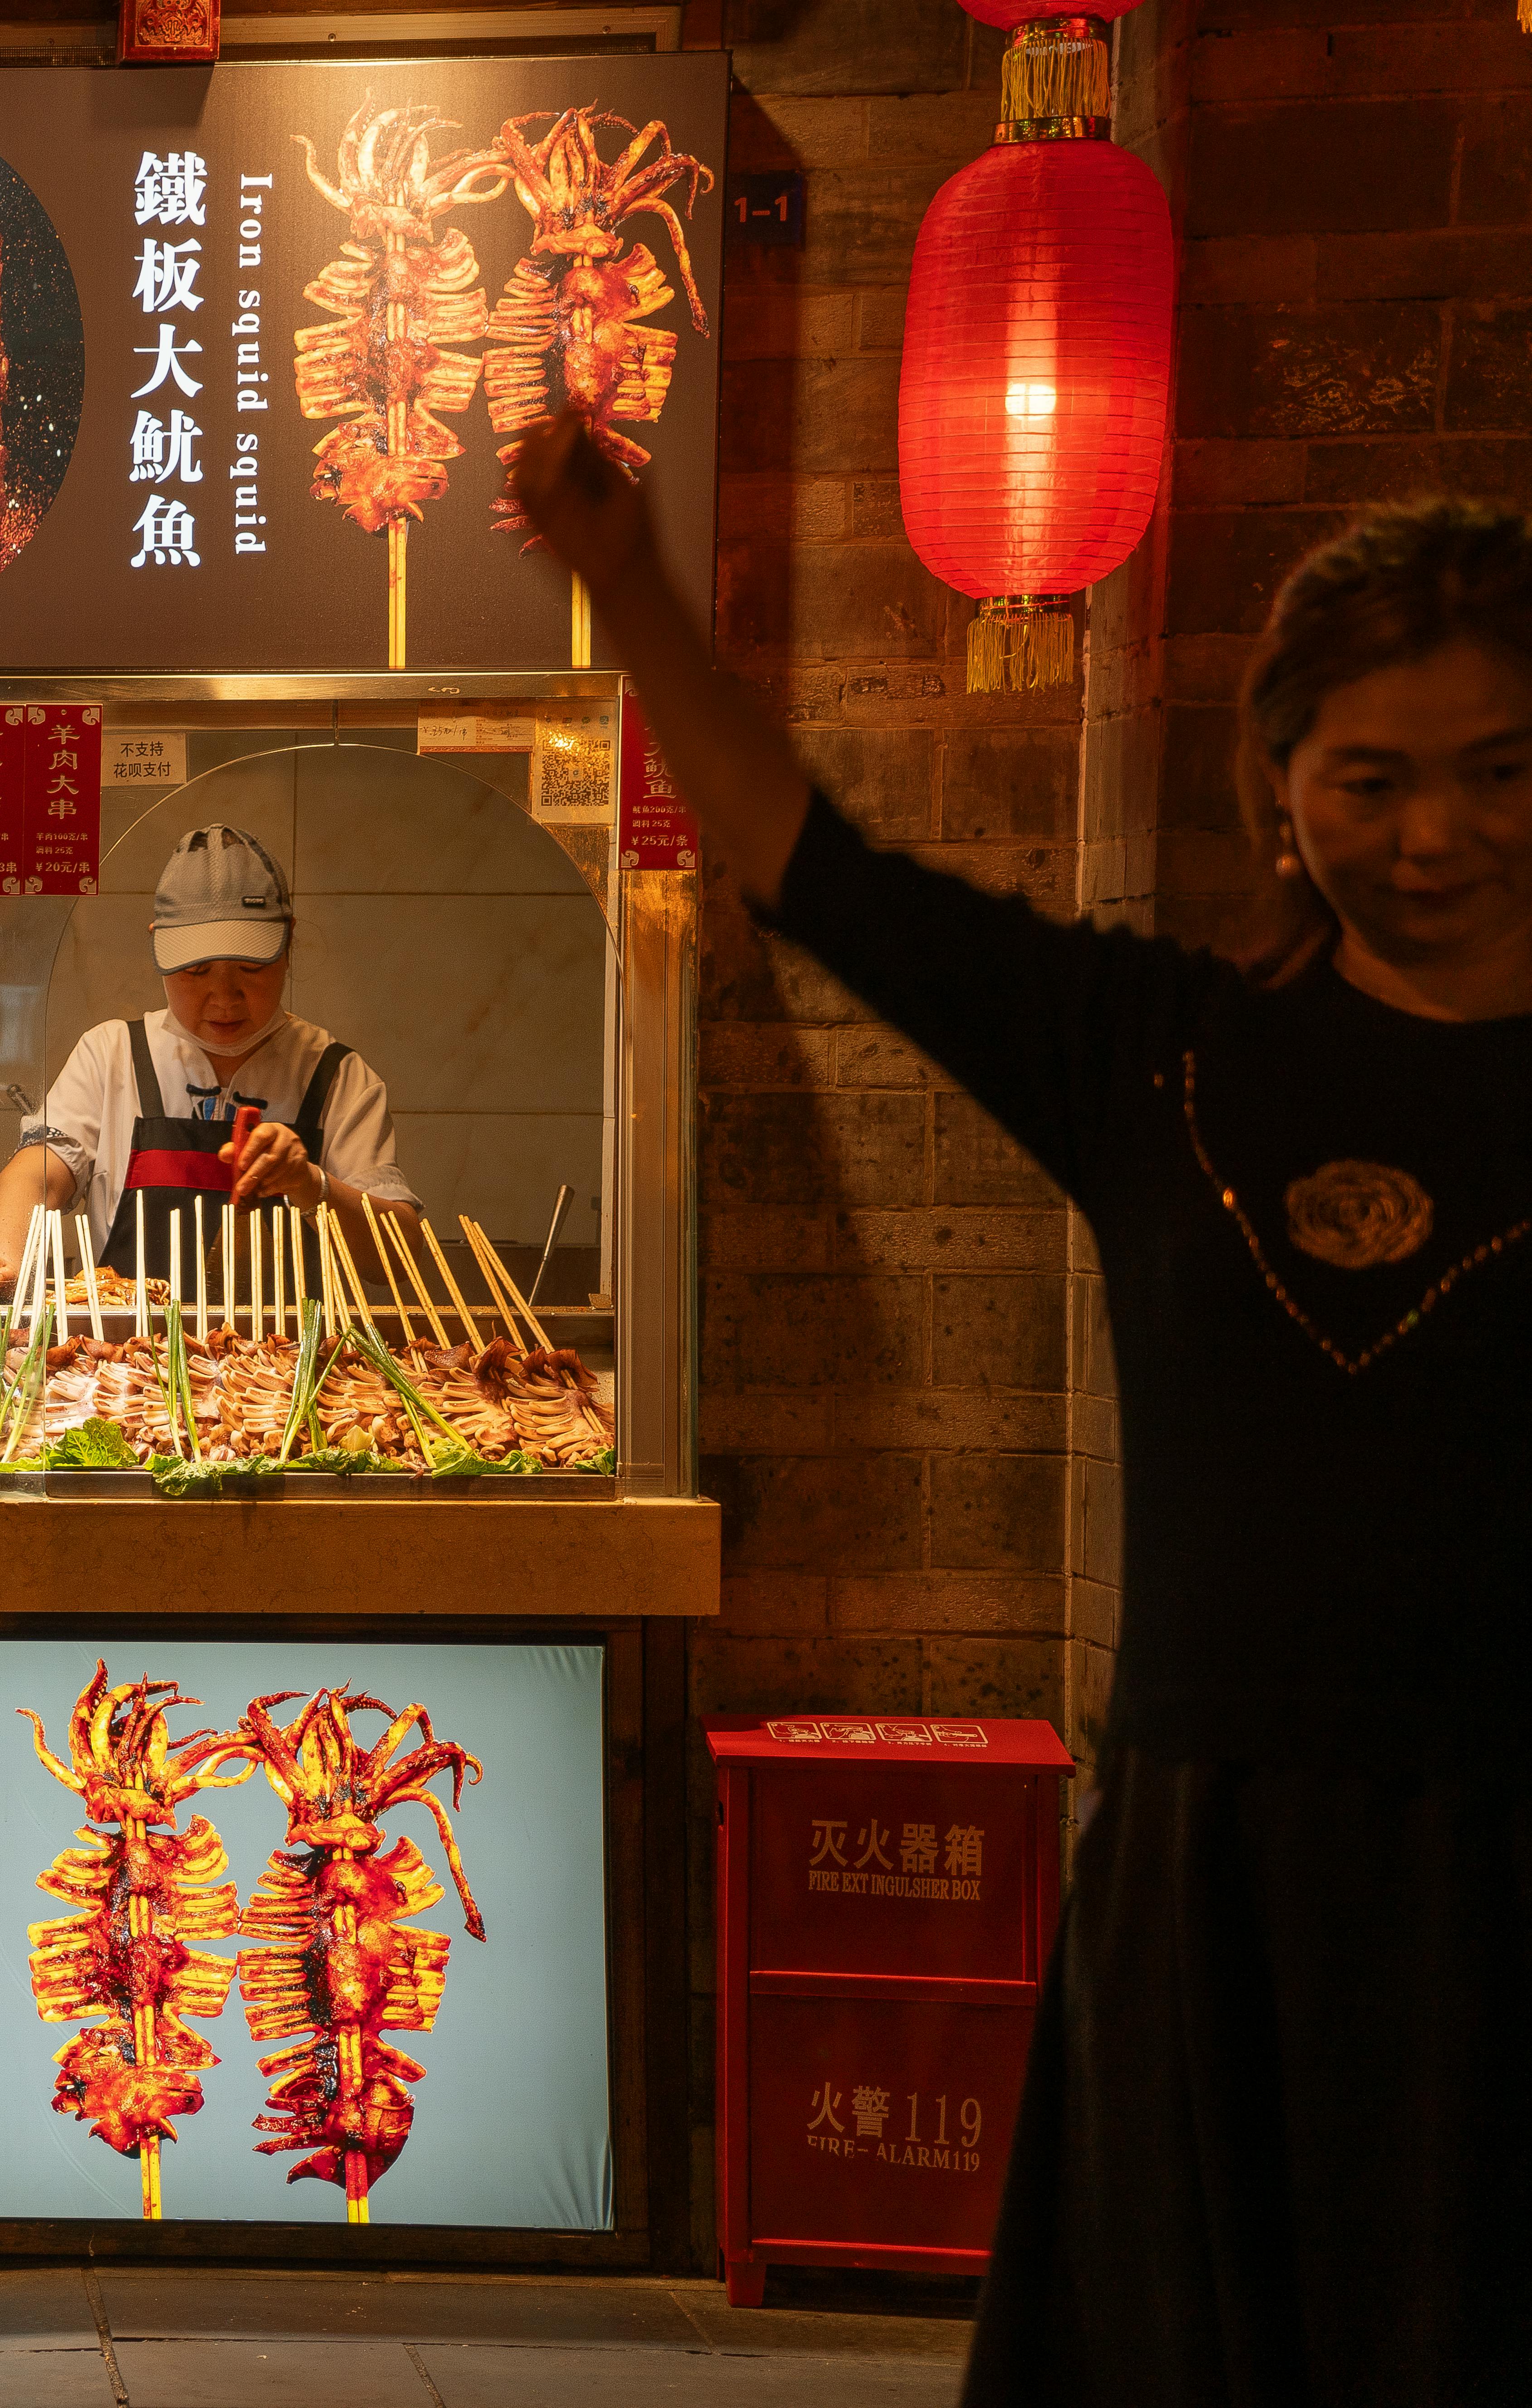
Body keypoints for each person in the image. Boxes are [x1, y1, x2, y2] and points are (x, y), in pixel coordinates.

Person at [511, 414, 1531, 2399]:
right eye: (1369, 778)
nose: (1432, 833)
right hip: (1207, 1879)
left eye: (1496, 772)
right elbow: (824, 874)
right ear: (1278, 785)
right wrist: (624, 588)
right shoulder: (1158, 1058)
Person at [0, 824, 423, 1304]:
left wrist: (310, 1183)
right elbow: (36, 1177)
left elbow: (398, 1261)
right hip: (125, 1353)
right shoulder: (112, 1055)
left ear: (289, 942)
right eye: (196, 970)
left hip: (290, 1356)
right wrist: (0, 1263)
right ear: (157, 945)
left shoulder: (336, 1075)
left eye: (250, 969)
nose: (224, 998)